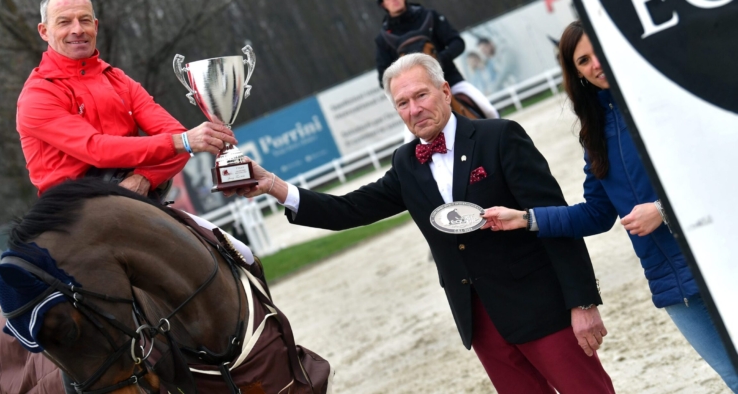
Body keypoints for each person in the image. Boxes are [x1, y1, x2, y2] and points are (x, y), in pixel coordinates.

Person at [228, 53, 615, 393]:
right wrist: (273, 185)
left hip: (544, 310)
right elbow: (349, 209)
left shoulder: (500, 137)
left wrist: (582, 301)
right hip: (481, 323)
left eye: (421, 95)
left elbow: (552, 219)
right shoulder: (405, 163)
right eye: (403, 103)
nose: (414, 109)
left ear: (445, 92)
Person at [0, 1, 252, 393]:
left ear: (96, 25)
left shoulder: (119, 79)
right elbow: (97, 149)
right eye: (64, 22)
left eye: (84, 20)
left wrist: (144, 179)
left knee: (240, 254)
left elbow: (174, 137)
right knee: (77, 323)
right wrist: (181, 142)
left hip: (138, 207)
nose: (76, 29)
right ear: (45, 31)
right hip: (75, 226)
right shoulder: (35, 97)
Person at [481, 21, 738, 392]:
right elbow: (596, 214)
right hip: (671, 283)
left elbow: (722, 166)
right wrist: (525, 218)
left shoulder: (667, 96)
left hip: (721, 259)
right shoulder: (596, 133)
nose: (595, 64)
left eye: (597, 51)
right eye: (583, 60)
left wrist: (662, 210)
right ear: (577, 73)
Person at [374, 0, 499, 132]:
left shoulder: (430, 16)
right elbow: (383, 77)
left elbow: (457, 42)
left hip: (451, 82)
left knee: (489, 111)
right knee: (409, 140)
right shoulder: (383, 39)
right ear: (383, 4)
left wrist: (438, 60)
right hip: (415, 97)